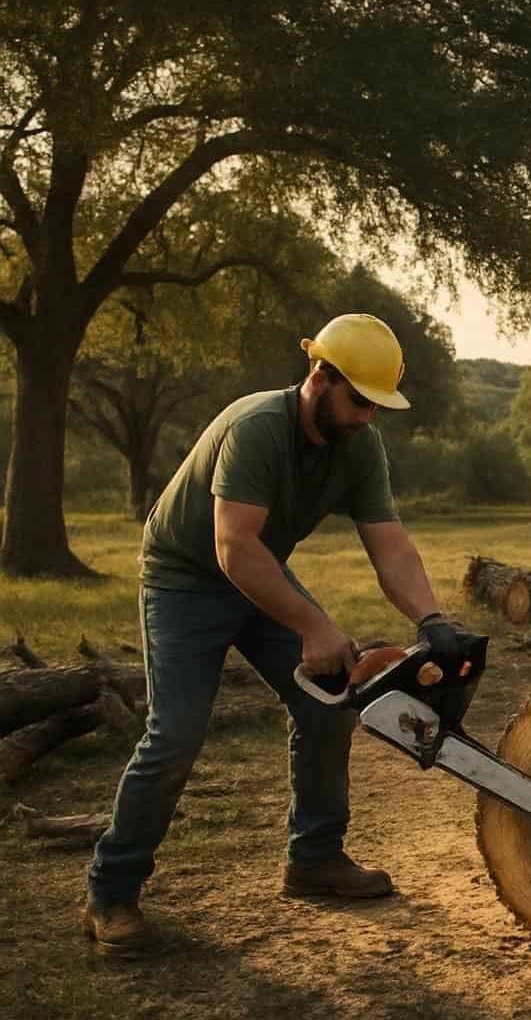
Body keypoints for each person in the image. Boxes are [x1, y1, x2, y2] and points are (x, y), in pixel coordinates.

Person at [83, 313, 481, 956]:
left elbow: (390, 544)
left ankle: (315, 859)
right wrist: (315, 626)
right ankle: (112, 892)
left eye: (377, 408)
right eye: (358, 402)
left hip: (263, 572)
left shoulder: (358, 446)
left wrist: (430, 619)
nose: (365, 419)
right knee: (177, 732)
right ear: (320, 378)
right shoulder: (256, 428)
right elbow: (232, 547)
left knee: (328, 709)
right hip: (185, 577)